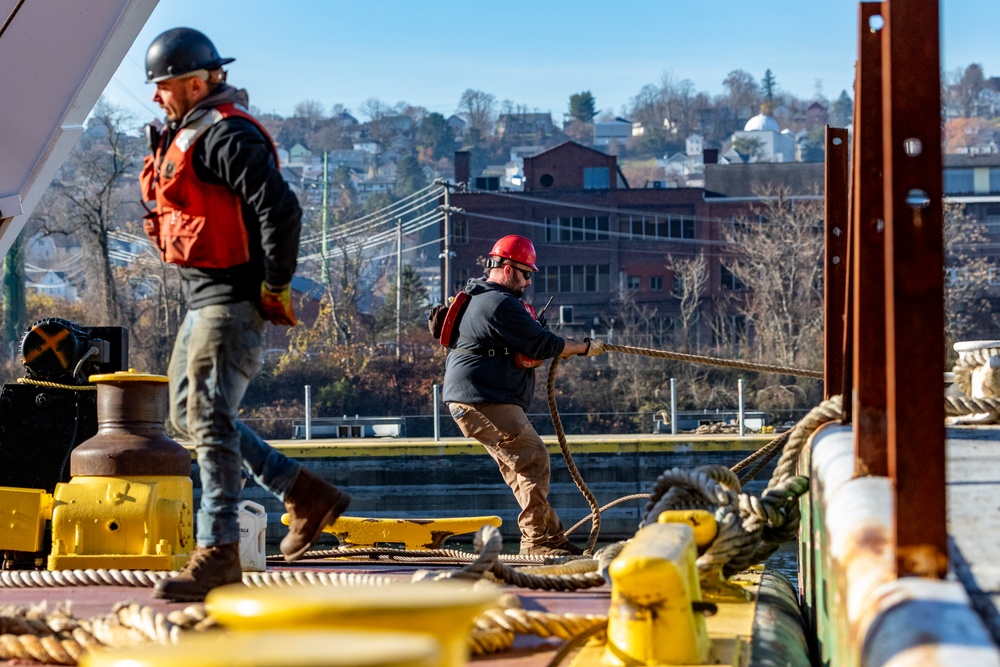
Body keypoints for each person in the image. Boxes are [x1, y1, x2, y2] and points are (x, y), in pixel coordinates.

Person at [138, 27, 350, 602]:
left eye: (162, 87)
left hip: (231, 302)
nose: (156, 98)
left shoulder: (225, 135)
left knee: (206, 417)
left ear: (194, 82)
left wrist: (276, 285)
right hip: (202, 299)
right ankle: (300, 490)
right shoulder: (190, 135)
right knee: (185, 418)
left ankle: (219, 552)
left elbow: (280, 209)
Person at [442, 235, 605, 556]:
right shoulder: (499, 303)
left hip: (478, 399)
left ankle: (552, 538)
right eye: (525, 273)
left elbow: (531, 343)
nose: (529, 281)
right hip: (482, 400)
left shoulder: (482, 297)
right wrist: (584, 348)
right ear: (505, 268)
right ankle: (537, 543)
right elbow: (542, 344)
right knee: (533, 459)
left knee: (521, 471)